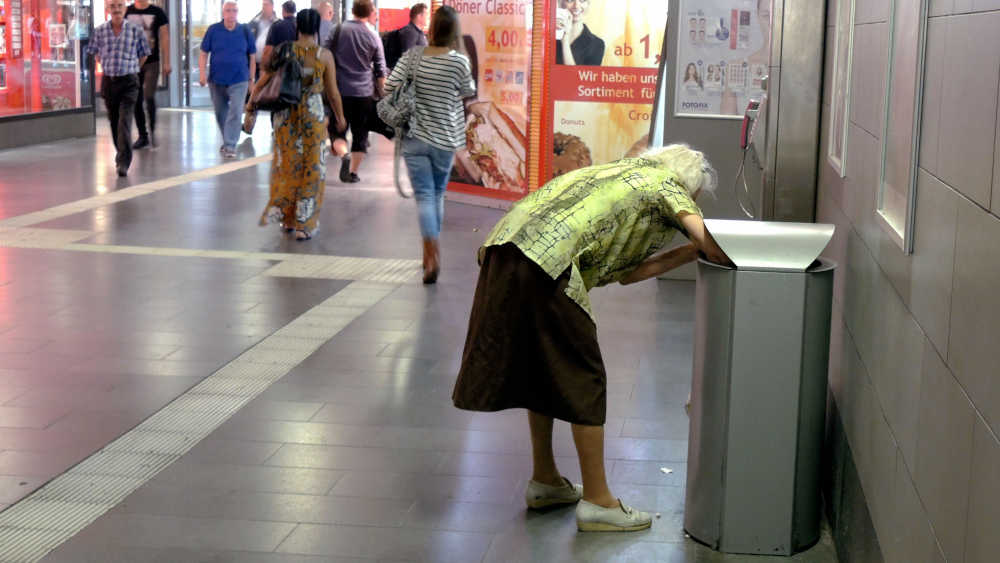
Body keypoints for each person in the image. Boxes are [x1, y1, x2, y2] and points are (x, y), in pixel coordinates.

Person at [452, 145, 733, 533]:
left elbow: (630, 273)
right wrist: (712, 247)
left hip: (505, 250)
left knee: (540, 366)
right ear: (689, 184)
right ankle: (599, 502)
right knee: (585, 377)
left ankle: (546, 480)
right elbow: (714, 241)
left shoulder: (617, 174)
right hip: (547, 263)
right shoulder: (666, 182)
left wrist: (689, 253)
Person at [384, 5, 473, 284]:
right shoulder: (460, 62)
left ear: (431, 28)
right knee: (436, 194)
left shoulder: (413, 57)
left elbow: (389, 87)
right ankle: (431, 254)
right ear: (455, 31)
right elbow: (467, 92)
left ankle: (430, 255)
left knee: (424, 196)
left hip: (415, 137)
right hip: (445, 139)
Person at [252, 9, 348, 241]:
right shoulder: (324, 56)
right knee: (312, 167)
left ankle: (287, 217)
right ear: (316, 29)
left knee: (288, 164)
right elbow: (333, 92)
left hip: (284, 116)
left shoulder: (282, 51)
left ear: (297, 27)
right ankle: (304, 224)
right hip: (312, 116)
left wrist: (250, 107)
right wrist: (340, 117)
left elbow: (262, 80)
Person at [324, 0, 388, 184]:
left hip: (340, 92)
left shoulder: (337, 30)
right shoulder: (373, 35)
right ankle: (352, 173)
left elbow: (326, 56)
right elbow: (380, 70)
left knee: (337, 132)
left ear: (352, 10)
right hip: (364, 94)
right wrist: (384, 95)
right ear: (369, 13)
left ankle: (344, 155)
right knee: (360, 136)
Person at [86, 0, 151, 177]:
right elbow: (95, 54)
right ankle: (121, 154)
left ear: (125, 8)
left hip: (129, 82)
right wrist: (107, 65)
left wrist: (132, 68)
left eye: (119, 6)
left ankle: (123, 162)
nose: (116, 10)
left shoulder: (135, 30)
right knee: (114, 122)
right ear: (107, 9)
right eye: (112, 6)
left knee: (124, 121)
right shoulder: (100, 31)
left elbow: (144, 54)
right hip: (109, 82)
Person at [199, 1, 256, 158]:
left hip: (240, 79)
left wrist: (251, 79)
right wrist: (202, 74)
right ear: (223, 13)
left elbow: (252, 57)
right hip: (216, 80)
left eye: (234, 11)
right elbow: (203, 53)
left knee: (236, 111)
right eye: (228, 11)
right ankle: (227, 141)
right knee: (220, 113)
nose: (231, 14)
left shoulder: (245, 31)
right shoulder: (213, 30)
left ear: (237, 13)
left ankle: (230, 145)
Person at [125, 0, 169, 150]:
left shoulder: (158, 12)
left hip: (152, 62)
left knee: (148, 95)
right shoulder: (127, 12)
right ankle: (143, 136)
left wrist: (166, 62)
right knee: (136, 98)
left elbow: (164, 37)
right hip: (133, 62)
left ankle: (152, 130)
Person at [555, 0, 604, 66]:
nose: (576, 6)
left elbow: (576, 76)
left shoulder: (597, 44)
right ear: (560, 3)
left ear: (588, 4)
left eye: (582, 0)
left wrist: (565, 40)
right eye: (570, 0)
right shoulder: (546, 37)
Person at [383, 3, 428, 71]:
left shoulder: (417, 31)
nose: (428, 17)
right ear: (419, 16)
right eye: (426, 14)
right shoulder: (410, 32)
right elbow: (408, 59)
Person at [249, 0, 278, 82]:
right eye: (263, 5)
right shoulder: (254, 22)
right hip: (254, 63)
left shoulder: (277, 23)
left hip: (269, 64)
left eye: (266, 5)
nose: (264, 7)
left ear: (272, 6)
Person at [262, 1, 296, 68]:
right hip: (298, 68)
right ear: (294, 11)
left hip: (279, 68)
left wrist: (263, 67)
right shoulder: (302, 25)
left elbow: (268, 50)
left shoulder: (277, 25)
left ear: (283, 10)